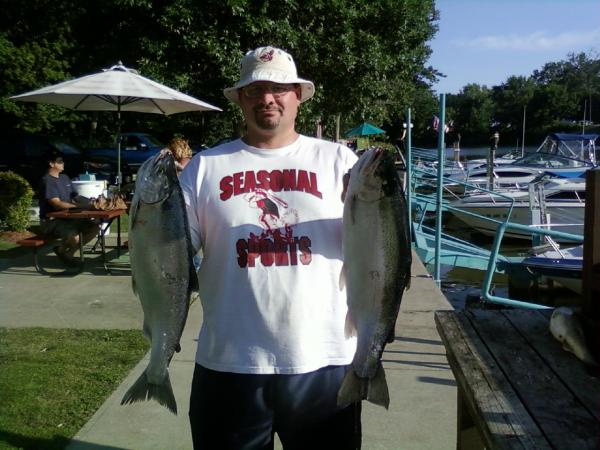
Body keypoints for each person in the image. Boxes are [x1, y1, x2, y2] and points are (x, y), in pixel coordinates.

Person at [180, 46, 361, 450]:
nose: (267, 98)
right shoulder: (205, 167)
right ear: (241, 98)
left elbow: (374, 251)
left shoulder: (340, 162)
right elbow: (174, 252)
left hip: (324, 360)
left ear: (297, 95)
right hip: (230, 361)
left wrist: (367, 210)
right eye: (255, 89)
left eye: (279, 88)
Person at [39, 150, 98, 266]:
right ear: (51, 164)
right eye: (60, 161)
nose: (63, 163)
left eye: (62, 161)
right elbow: (57, 204)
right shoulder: (47, 181)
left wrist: (93, 202)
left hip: (68, 218)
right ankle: (62, 251)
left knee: (94, 228)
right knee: (74, 237)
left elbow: (76, 196)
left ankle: (67, 253)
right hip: (51, 221)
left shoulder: (64, 178)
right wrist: (83, 206)